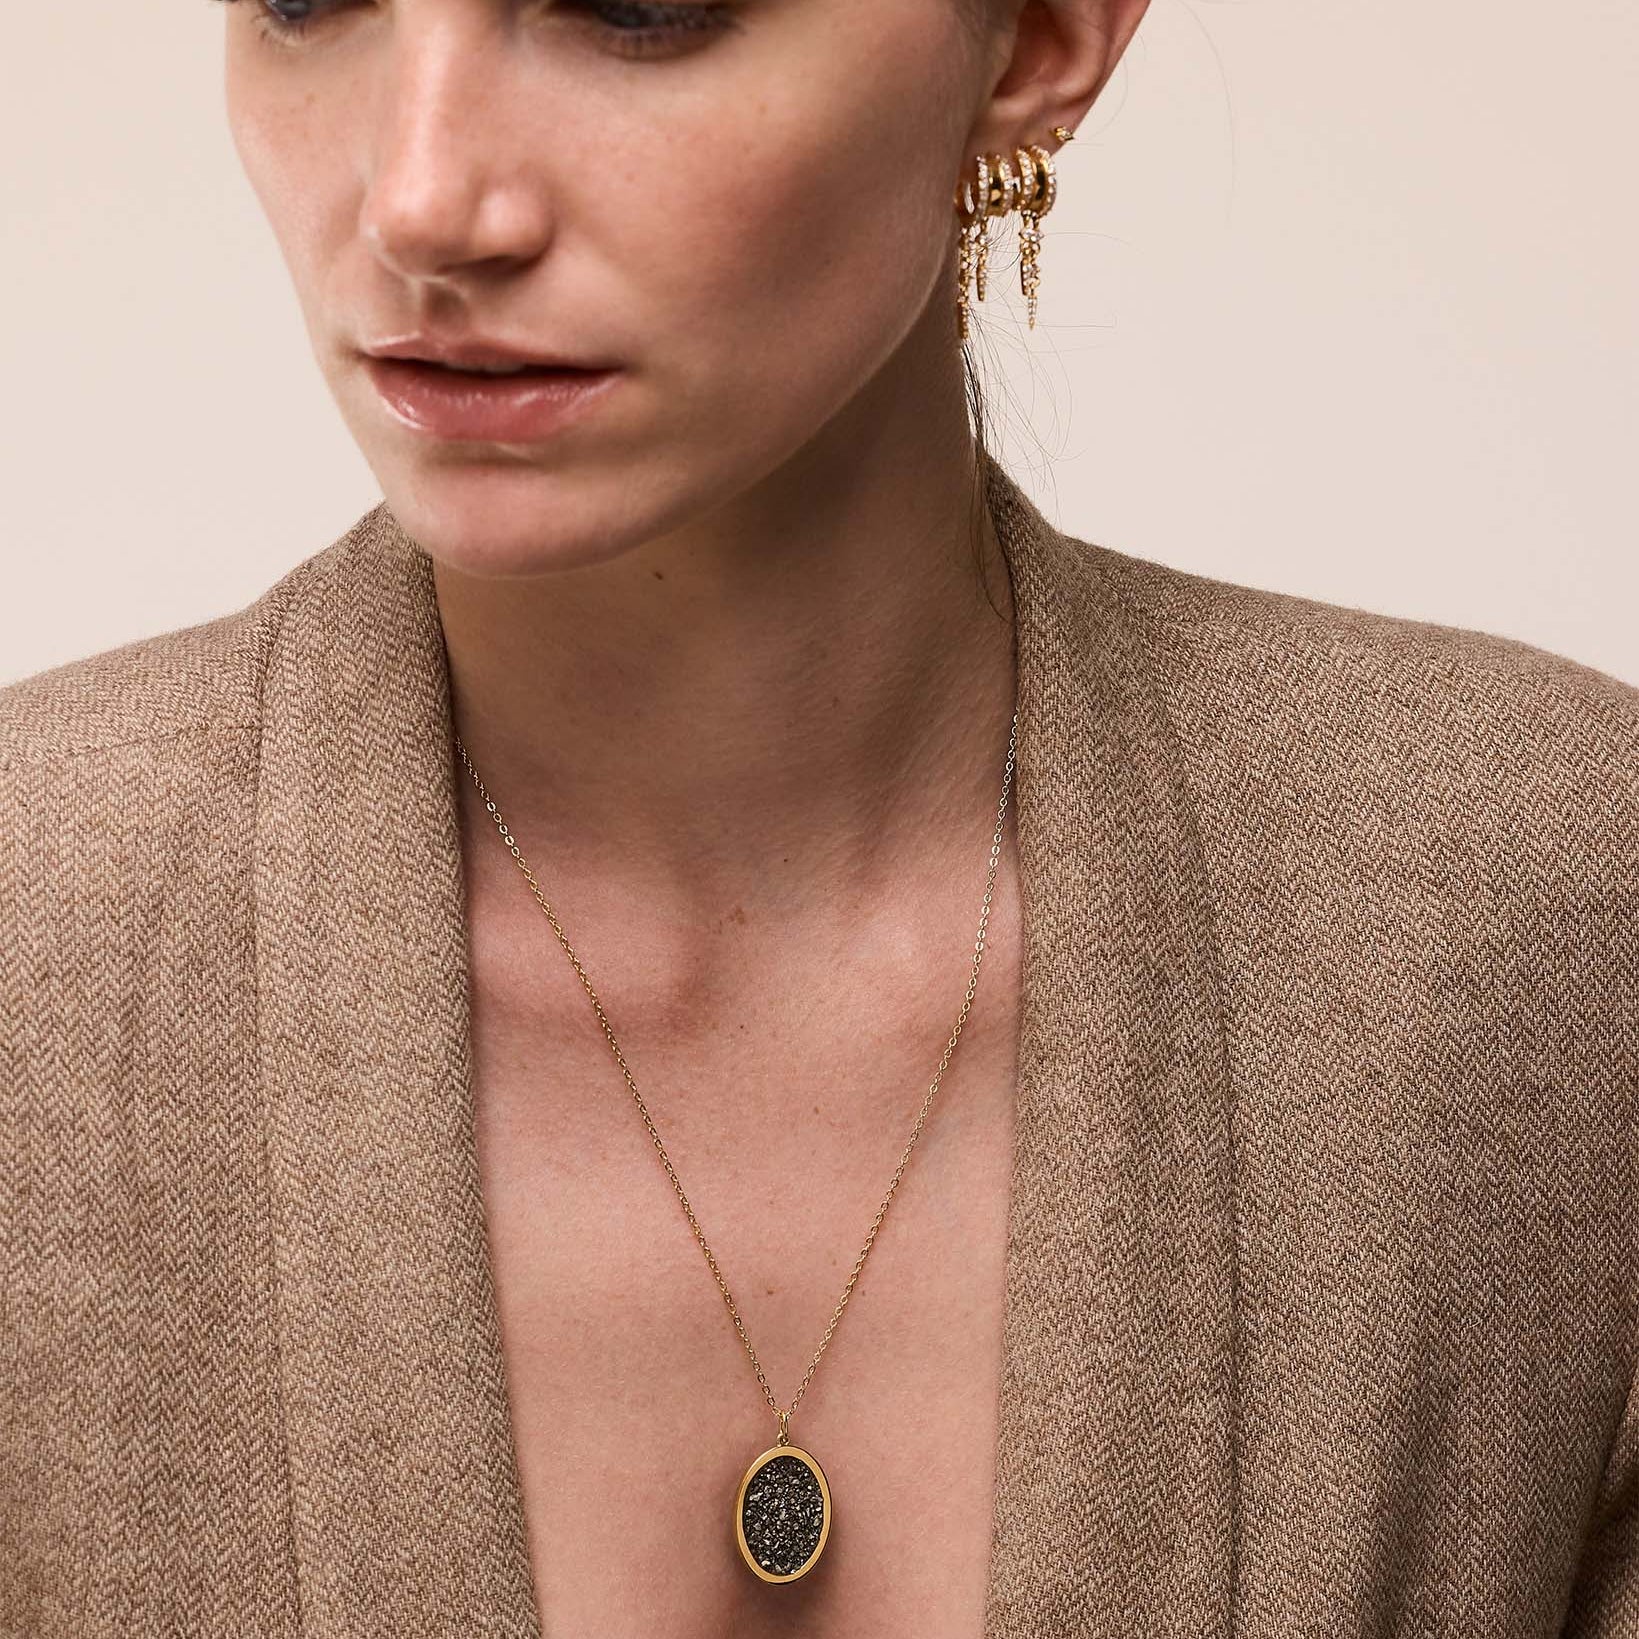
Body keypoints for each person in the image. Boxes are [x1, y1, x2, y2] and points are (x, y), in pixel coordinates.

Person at [2, 0, 1635, 1633]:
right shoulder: (37, 955)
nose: (419, 201)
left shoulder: (1544, 913)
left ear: (1039, 39)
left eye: (637, 8)